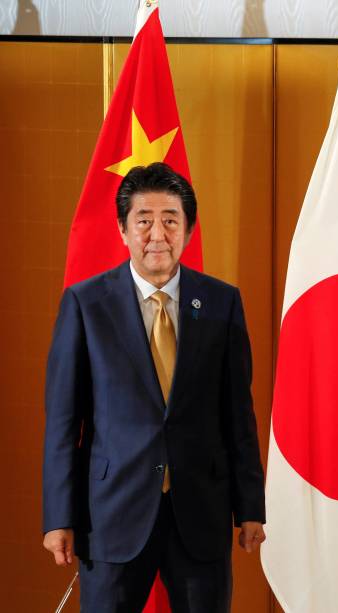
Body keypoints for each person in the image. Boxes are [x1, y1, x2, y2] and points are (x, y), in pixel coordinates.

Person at [42, 162, 266, 612]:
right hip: (111, 513)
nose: (157, 234)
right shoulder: (86, 304)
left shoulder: (222, 302)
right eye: (143, 221)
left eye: (170, 220)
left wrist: (250, 507)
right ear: (123, 230)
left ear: (187, 229)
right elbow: (64, 423)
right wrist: (59, 517)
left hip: (200, 510)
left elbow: (237, 414)